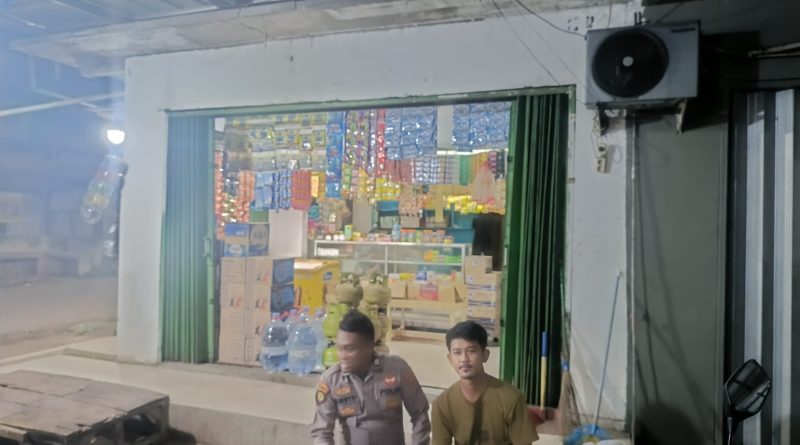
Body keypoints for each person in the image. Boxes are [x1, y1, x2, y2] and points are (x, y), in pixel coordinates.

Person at [310, 310, 431, 445]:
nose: (342, 356)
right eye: (339, 348)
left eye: (349, 349)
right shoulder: (331, 380)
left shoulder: (397, 369)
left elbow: (420, 414)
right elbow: (321, 433)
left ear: (369, 346)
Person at [432, 321, 538, 445]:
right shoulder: (442, 404)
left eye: (471, 351)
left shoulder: (512, 398)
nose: (464, 359)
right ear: (450, 359)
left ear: (485, 355)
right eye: (457, 352)